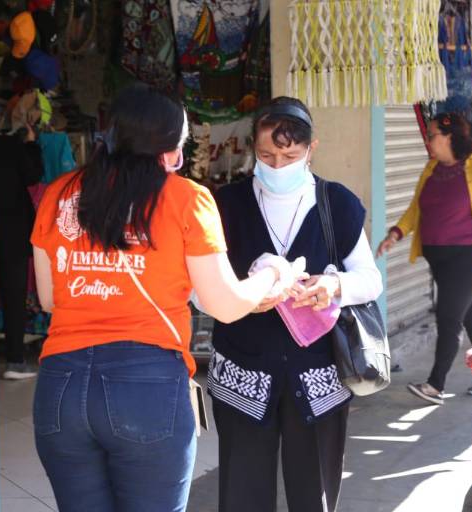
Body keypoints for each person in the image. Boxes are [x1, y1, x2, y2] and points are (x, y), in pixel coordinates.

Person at [30, 84, 301, 512]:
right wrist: (273, 274)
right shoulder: (187, 199)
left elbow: (48, 298)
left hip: (60, 385)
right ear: (170, 151)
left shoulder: (60, 194)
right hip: (147, 386)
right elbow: (226, 305)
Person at [205, 97, 383, 512]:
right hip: (242, 374)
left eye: (290, 155)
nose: (278, 165)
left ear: (311, 149)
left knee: (313, 494)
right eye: (267, 155)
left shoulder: (336, 203)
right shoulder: (224, 205)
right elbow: (200, 289)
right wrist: (241, 299)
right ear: (253, 147)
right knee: (242, 493)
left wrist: (333, 285)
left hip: (318, 376)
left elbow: (369, 280)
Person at [377, 112, 472, 405]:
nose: (428, 141)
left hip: (471, 256)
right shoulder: (431, 168)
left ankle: (436, 385)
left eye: (432, 135)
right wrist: (395, 234)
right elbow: (416, 208)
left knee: (448, 316)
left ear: (450, 136)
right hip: (439, 258)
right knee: (468, 312)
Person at [0, 122, 44, 379]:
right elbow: (34, 175)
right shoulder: (10, 146)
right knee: (13, 298)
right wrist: (31, 143)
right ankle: (15, 360)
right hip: (12, 233)